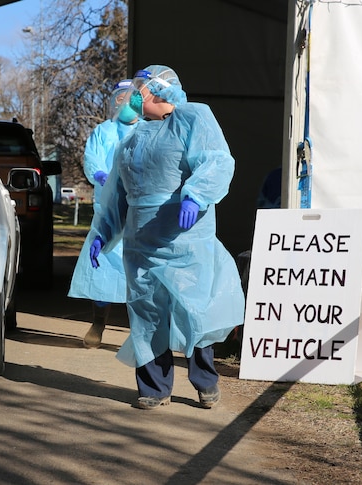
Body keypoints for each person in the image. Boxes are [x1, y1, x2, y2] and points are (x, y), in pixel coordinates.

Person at [88, 65, 245, 410]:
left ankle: (205, 381)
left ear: (158, 91)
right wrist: (103, 233)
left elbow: (216, 160)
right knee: (147, 314)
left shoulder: (193, 117)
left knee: (194, 309)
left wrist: (196, 194)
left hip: (185, 237)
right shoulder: (131, 138)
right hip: (140, 242)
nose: (131, 98)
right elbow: (117, 194)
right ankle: (154, 388)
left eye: (138, 90)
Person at [68, 79, 141, 348]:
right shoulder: (104, 131)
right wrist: (99, 174)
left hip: (140, 209)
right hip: (108, 208)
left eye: (131, 98)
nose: (125, 104)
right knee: (102, 267)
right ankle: (99, 322)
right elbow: (92, 159)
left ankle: (140, 332)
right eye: (120, 99)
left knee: (141, 273)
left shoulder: (150, 130)